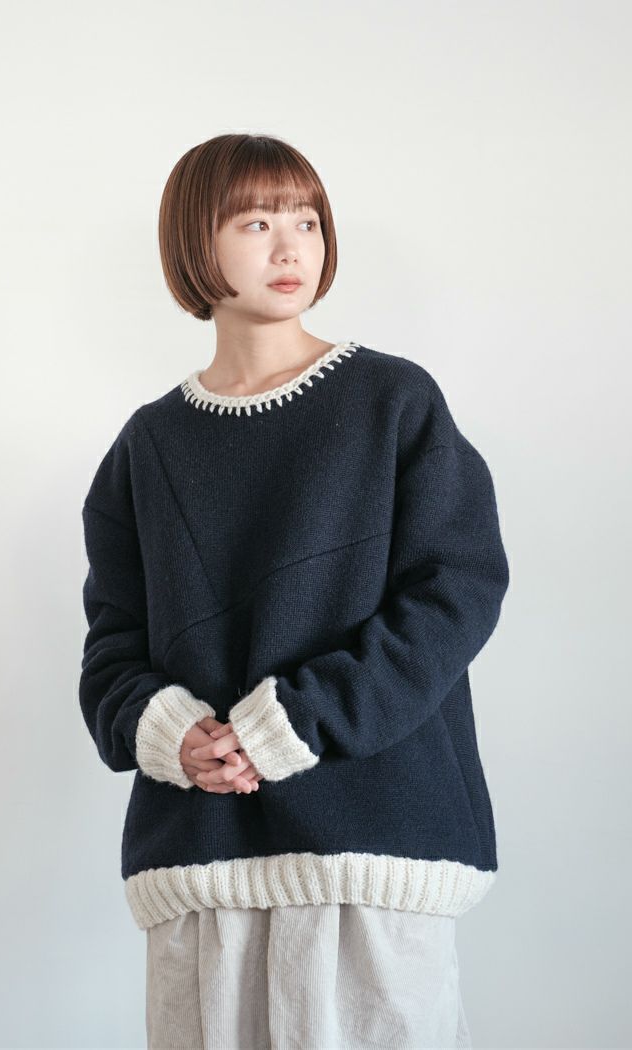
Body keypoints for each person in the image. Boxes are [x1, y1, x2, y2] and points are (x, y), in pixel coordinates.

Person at [78, 132, 510, 1050]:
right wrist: (172, 732)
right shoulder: (147, 447)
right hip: (203, 868)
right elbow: (111, 649)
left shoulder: (393, 402)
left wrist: (299, 721)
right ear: (194, 242)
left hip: (373, 851)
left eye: (307, 221)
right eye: (255, 222)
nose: (290, 247)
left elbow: (457, 592)